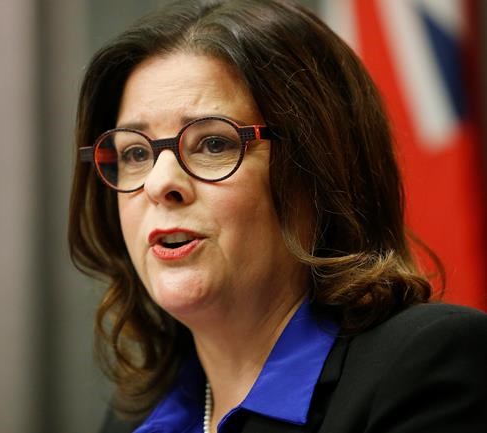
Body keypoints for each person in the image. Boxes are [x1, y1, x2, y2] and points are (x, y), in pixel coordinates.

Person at [67, 1, 487, 432]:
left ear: (319, 168)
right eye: (135, 153)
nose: (159, 183)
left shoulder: (426, 367)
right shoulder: (137, 415)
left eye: (213, 144)